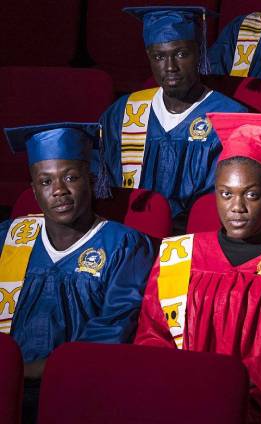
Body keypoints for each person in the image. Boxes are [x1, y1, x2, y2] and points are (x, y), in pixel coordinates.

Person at [134, 113, 261, 414]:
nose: (237, 208)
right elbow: (153, 334)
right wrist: (180, 385)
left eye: (252, 195)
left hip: (255, 407)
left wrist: (229, 386)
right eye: (226, 194)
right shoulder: (179, 254)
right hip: (175, 399)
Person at [0, 123, 154, 424]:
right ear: (33, 189)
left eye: (70, 177)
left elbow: (113, 327)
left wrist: (31, 369)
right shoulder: (9, 238)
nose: (59, 190)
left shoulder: (124, 245)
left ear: (91, 179)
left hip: (78, 389)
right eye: (45, 182)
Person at [98, 6, 247, 228]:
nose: (170, 67)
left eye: (180, 54)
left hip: (198, 236)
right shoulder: (124, 113)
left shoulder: (230, 118)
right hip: (128, 233)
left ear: (199, 53)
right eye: (159, 56)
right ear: (149, 57)